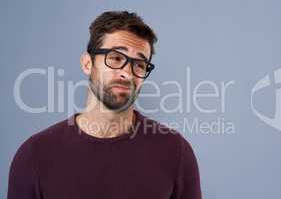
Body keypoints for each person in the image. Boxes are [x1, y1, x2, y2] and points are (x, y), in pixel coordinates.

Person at [7, 11, 202, 199]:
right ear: (87, 63)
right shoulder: (35, 155)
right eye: (116, 58)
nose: (127, 73)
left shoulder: (175, 152)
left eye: (139, 65)